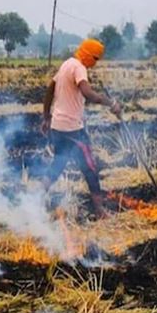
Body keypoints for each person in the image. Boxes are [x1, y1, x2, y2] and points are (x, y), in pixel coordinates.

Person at [41, 38, 122, 218]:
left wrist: (47, 117)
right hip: (72, 129)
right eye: (96, 59)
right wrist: (111, 103)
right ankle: (100, 211)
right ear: (89, 56)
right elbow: (87, 93)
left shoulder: (66, 64)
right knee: (90, 168)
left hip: (57, 127)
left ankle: (34, 198)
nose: (95, 64)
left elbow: (50, 89)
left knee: (58, 164)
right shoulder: (79, 67)